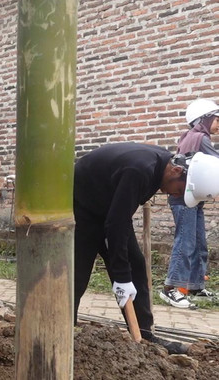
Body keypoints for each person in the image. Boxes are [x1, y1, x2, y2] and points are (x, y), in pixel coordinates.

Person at [73, 142, 219, 353]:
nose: (177, 195)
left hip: (110, 209)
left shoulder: (160, 165)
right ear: (177, 171)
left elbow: (118, 220)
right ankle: (64, 329)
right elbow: (115, 225)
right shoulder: (140, 170)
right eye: (180, 190)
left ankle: (145, 337)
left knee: (135, 265)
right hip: (83, 205)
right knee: (78, 271)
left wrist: (125, 273)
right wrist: (121, 278)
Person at [160, 99, 219, 308]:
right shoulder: (200, 138)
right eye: (216, 119)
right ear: (204, 119)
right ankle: (171, 289)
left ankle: (195, 286)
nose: (218, 124)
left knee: (198, 243)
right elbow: (215, 163)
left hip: (192, 197)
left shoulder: (189, 137)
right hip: (183, 197)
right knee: (185, 243)